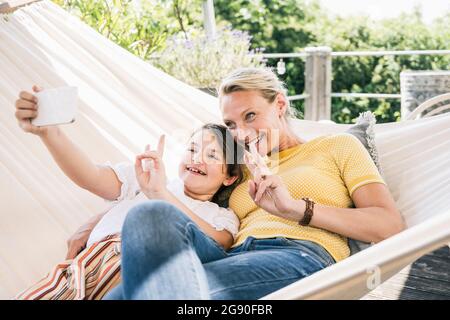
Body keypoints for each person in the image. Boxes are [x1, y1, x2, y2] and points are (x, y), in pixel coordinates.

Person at [105, 67, 405, 300]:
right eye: (232, 125)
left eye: (251, 116)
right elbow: (187, 202)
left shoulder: (336, 147)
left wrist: (295, 209)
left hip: (296, 256)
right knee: (148, 215)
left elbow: (388, 225)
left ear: (280, 105)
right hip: (228, 256)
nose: (242, 133)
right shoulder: (236, 168)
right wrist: (102, 218)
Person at [14, 86, 244, 299]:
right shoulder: (144, 176)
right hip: (82, 268)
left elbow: (217, 243)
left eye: (212, 155)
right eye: (192, 149)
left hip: (135, 270)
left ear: (229, 177)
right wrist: (51, 134)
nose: (197, 158)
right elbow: (90, 176)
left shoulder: (219, 215)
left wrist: (160, 193)